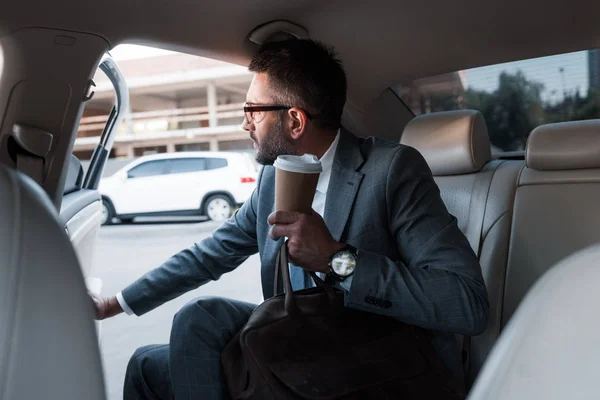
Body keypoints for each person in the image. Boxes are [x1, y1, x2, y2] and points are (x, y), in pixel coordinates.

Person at [91, 39, 489, 400]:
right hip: (300, 346)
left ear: (295, 121)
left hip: (376, 357)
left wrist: (337, 260)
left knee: (195, 331)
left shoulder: (391, 171)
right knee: (157, 354)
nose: (244, 123)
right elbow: (209, 255)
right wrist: (115, 303)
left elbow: (465, 303)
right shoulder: (271, 178)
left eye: (252, 111)